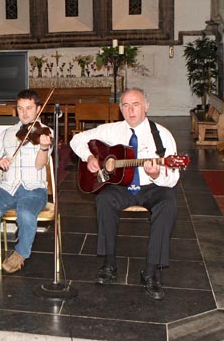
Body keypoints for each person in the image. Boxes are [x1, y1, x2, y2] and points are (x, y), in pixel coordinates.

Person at [70, 88, 179, 301]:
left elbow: (173, 177)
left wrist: (156, 174)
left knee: (168, 203)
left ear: (146, 106)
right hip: (121, 186)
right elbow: (76, 140)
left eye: (136, 104)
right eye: (126, 105)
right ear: (120, 109)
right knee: (103, 199)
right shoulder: (111, 130)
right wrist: (89, 157)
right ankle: (109, 264)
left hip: (151, 187)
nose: (131, 110)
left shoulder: (162, 135)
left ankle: (150, 272)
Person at [0, 89, 53, 275]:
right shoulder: (7, 133)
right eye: (20, 108)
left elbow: (40, 165)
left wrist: (44, 148)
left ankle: (20, 254)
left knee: (25, 213)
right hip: (8, 187)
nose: (24, 113)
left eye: (29, 108)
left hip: (34, 188)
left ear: (38, 109)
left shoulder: (45, 132)